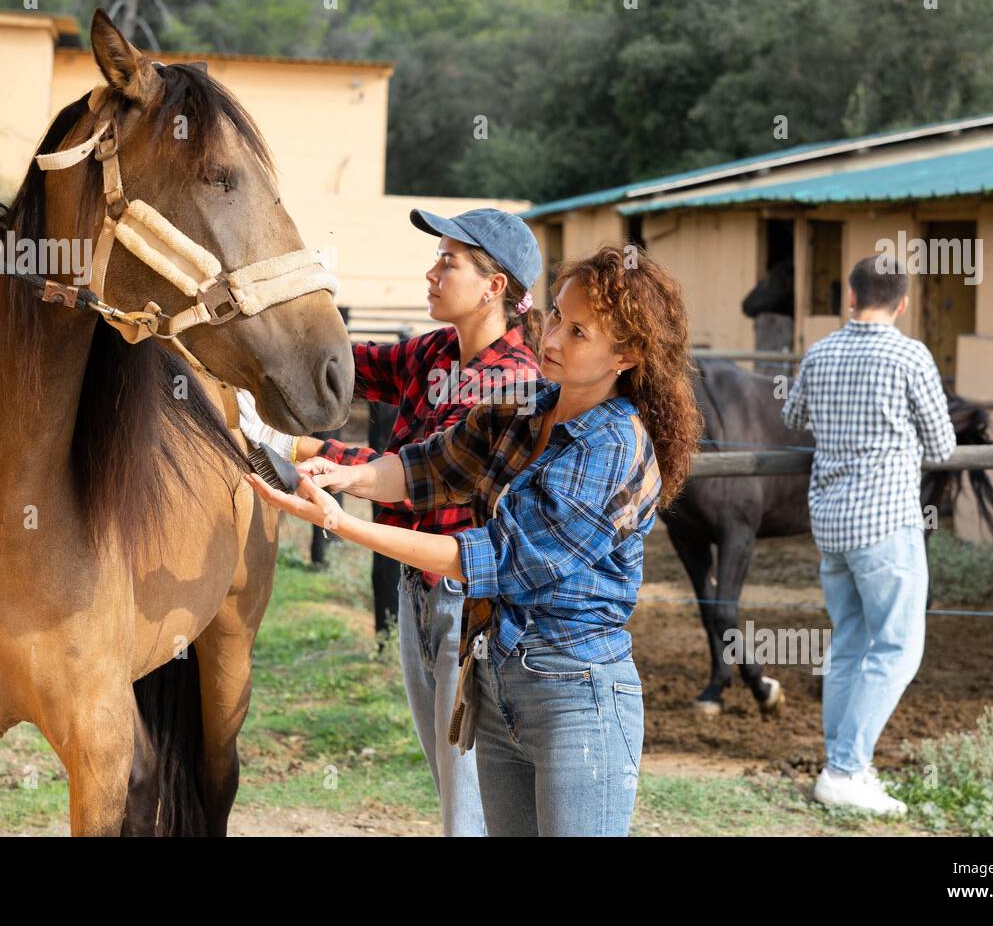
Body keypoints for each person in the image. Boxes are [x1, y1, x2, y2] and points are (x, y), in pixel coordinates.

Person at [245, 245, 702, 836]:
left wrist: (341, 522)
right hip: (493, 675)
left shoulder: (612, 447)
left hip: (575, 694)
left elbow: (492, 559)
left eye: (579, 332)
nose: (553, 339)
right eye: (558, 317)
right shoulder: (526, 406)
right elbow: (430, 468)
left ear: (629, 354)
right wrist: (345, 476)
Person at [236, 207, 541, 837]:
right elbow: (350, 367)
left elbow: (418, 475)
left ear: (495, 287)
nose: (430, 274)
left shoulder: (509, 384)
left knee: (468, 791)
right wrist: (285, 320)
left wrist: (297, 447)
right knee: (451, 777)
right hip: (422, 586)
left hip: (467, 597)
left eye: (448, 262)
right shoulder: (436, 353)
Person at [781, 254, 956, 815]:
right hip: (886, 524)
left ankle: (845, 765)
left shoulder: (821, 351)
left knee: (851, 644)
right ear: (903, 303)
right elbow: (943, 445)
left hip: (831, 524)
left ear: (850, 297)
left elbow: (792, 417)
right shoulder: (910, 354)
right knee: (898, 649)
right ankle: (846, 769)